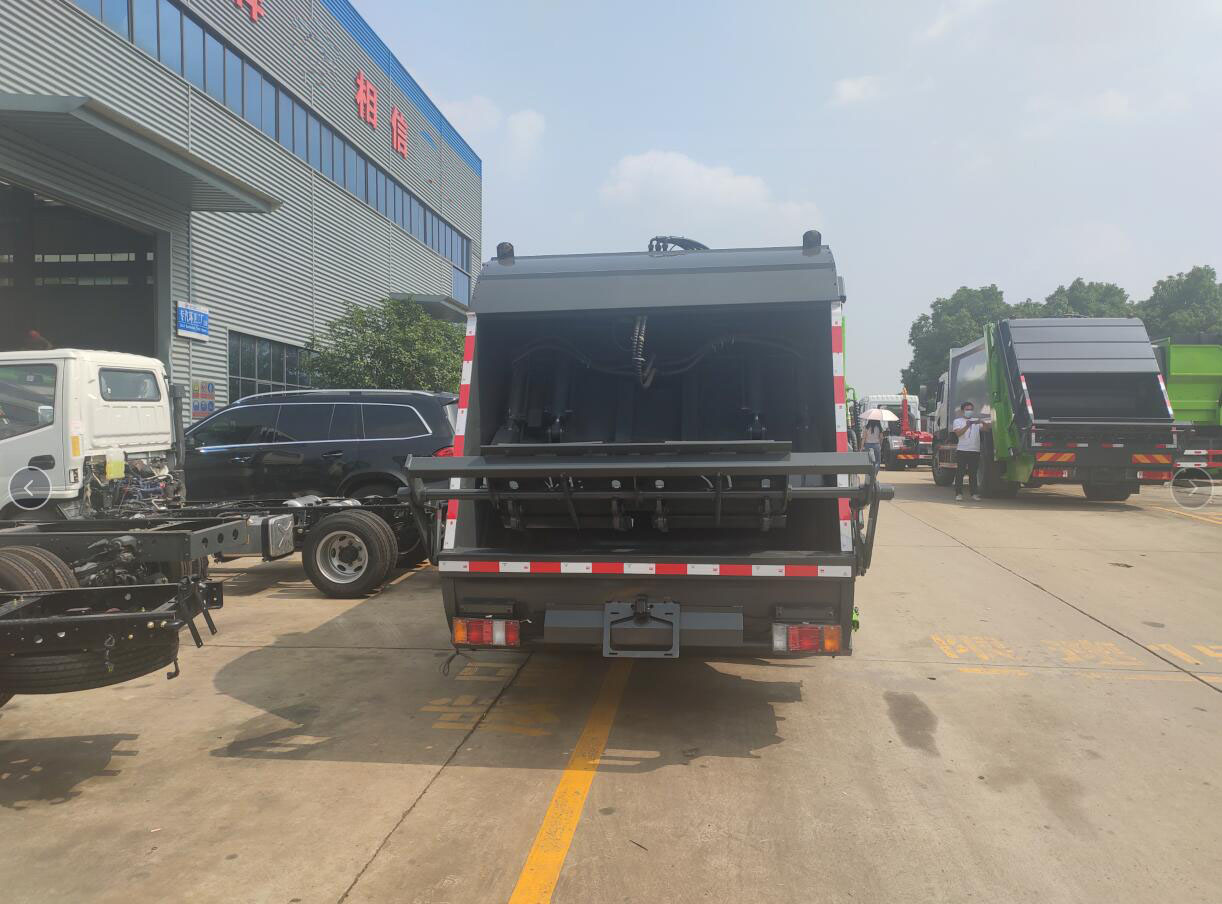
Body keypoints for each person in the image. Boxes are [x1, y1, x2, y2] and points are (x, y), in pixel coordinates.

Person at [952, 401, 991, 501]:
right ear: (962, 411)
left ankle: (974, 493)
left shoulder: (975, 421)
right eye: (967, 410)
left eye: (971, 410)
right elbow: (958, 434)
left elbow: (987, 429)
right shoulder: (957, 421)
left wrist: (982, 422)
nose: (969, 411)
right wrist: (967, 426)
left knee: (973, 473)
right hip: (962, 450)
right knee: (960, 472)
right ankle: (958, 493)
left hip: (974, 450)